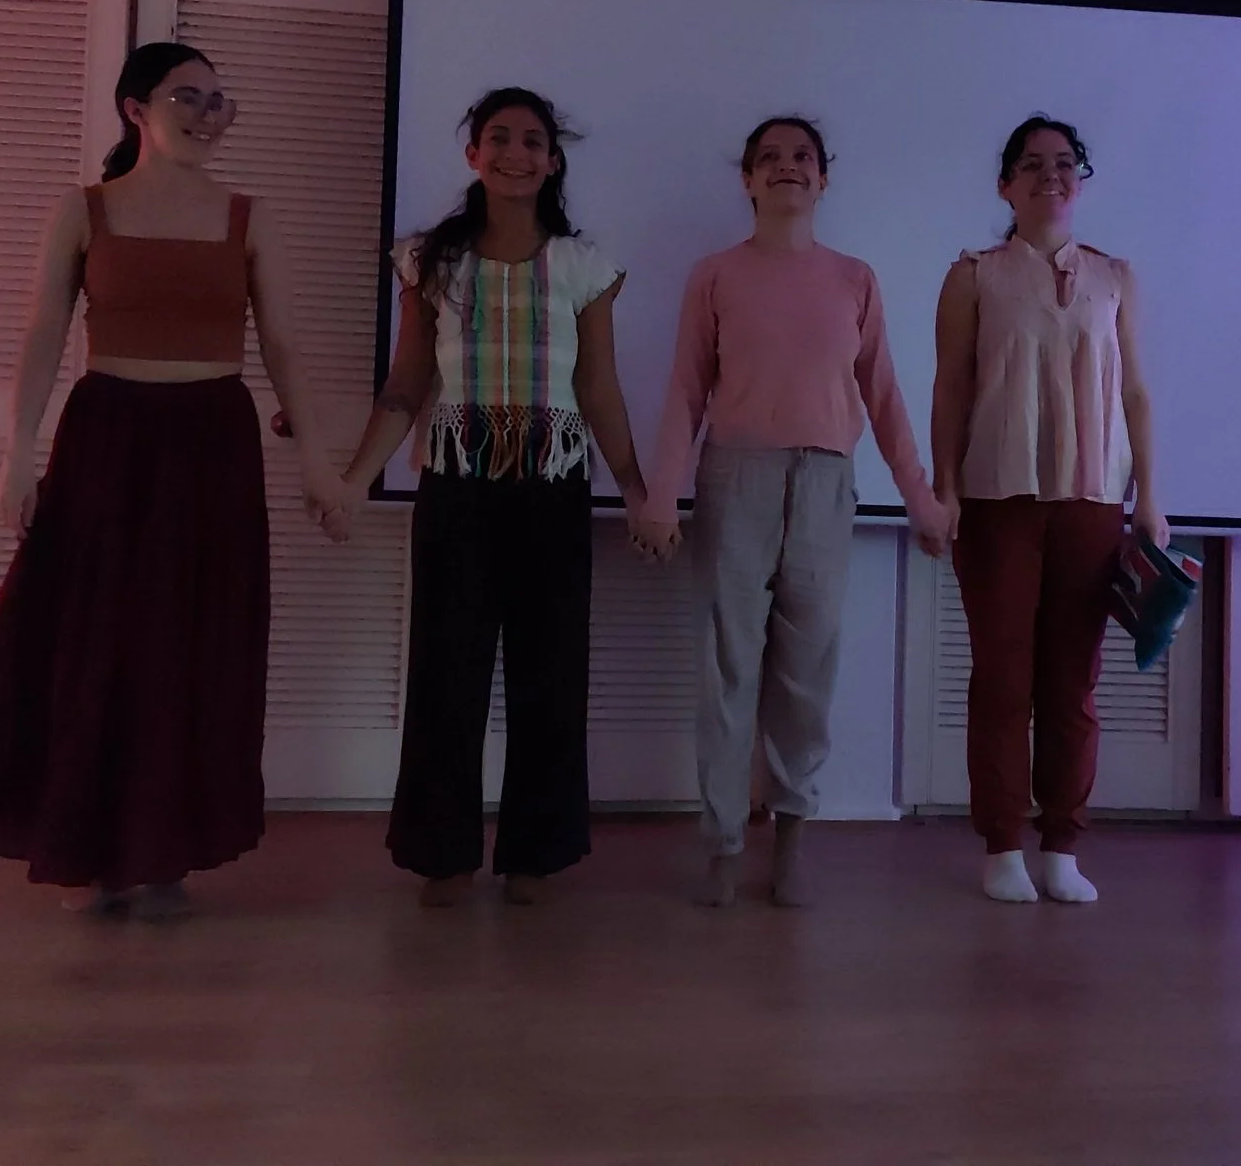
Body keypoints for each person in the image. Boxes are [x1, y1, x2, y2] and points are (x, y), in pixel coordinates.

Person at [0, 42, 351, 921]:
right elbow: (44, 332)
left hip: (213, 446)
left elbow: (285, 346)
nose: (206, 114)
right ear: (136, 109)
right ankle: (97, 847)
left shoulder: (247, 215)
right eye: (187, 96)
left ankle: (167, 853)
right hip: (108, 440)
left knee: (193, 644)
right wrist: (17, 454)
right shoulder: (83, 211)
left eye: (221, 101)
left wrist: (314, 458)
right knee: (97, 642)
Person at [342, 87, 650, 907]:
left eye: (533, 141)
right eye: (499, 138)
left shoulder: (585, 266)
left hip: (552, 492)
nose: (517, 152)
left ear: (553, 161)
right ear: (474, 154)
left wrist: (640, 492)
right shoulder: (432, 262)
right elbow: (406, 387)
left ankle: (534, 856)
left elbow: (600, 391)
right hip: (459, 492)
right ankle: (441, 855)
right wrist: (349, 478)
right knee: (447, 672)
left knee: (552, 676)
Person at [632, 117, 949, 909]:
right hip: (735, 480)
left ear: (824, 179)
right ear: (746, 180)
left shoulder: (855, 279)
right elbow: (684, 392)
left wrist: (923, 498)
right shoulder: (715, 276)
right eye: (768, 159)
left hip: (824, 485)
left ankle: (794, 836)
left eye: (801, 157)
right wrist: (661, 496)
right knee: (729, 666)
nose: (786, 169)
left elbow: (884, 398)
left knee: (806, 675)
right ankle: (723, 843)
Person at [930, 115, 1166, 906]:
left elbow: (1135, 389)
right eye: (1031, 165)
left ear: (1081, 179)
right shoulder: (972, 274)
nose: (1050, 176)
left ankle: (1061, 844)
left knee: (1072, 684)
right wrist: (944, 485)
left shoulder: (1116, 277)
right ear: (1006, 184)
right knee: (1002, 679)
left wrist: (1152, 500)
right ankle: (1002, 844)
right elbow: (952, 388)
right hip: (998, 499)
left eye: (1064, 164)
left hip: (1094, 500)